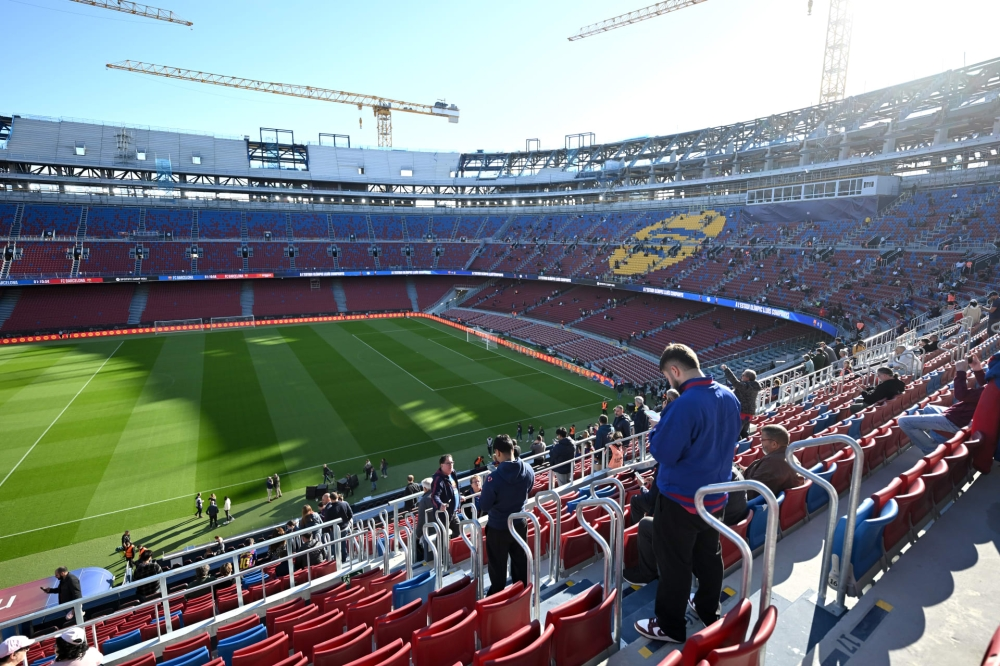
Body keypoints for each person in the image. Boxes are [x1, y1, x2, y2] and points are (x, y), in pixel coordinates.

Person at [634, 343, 741, 644]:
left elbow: (663, 452)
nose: (670, 383)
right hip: (716, 494)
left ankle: (670, 625)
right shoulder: (729, 396)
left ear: (676, 370)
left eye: (669, 377)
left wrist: (657, 430)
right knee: (709, 555)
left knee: (674, 563)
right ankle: (708, 608)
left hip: (681, 499)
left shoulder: (685, 403)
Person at [479, 434, 535, 595]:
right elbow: (529, 488)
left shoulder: (493, 478)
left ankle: (497, 599)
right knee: (520, 563)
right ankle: (521, 595)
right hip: (519, 523)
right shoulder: (527, 469)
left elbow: (484, 505)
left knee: (497, 568)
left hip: (498, 528)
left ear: (497, 452)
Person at [898, 355, 987, 453]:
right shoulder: (996, 386)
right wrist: (977, 369)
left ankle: (932, 450)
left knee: (903, 421)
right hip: (959, 415)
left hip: (957, 421)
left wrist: (961, 372)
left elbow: (961, 394)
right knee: (928, 409)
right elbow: (987, 386)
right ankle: (940, 439)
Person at [742, 425, 801, 499]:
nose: (761, 444)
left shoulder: (772, 463)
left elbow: (751, 492)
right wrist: (749, 470)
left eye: (762, 440)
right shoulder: (791, 457)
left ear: (774, 444)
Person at [721, 365, 761, 440]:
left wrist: (726, 370)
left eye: (743, 375)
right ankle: (747, 447)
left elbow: (735, 382)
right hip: (749, 414)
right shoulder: (754, 386)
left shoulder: (746, 386)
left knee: (736, 434)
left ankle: (738, 450)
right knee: (744, 433)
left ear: (747, 378)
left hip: (742, 413)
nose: (741, 376)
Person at [431, 455, 461, 537]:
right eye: (448, 463)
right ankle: (442, 549)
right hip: (443, 514)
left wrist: (459, 496)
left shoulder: (453, 473)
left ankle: (453, 548)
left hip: (453, 512)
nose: (450, 465)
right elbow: (434, 496)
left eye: (452, 462)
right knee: (442, 538)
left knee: (459, 531)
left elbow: (455, 489)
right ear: (441, 465)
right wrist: (440, 504)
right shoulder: (438, 479)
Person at [415, 478, 435, 562]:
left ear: (425, 488)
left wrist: (418, 534)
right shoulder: (440, 494)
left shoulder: (424, 501)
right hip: (441, 527)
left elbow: (421, 520)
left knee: (415, 539)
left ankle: (421, 561)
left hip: (430, 530)